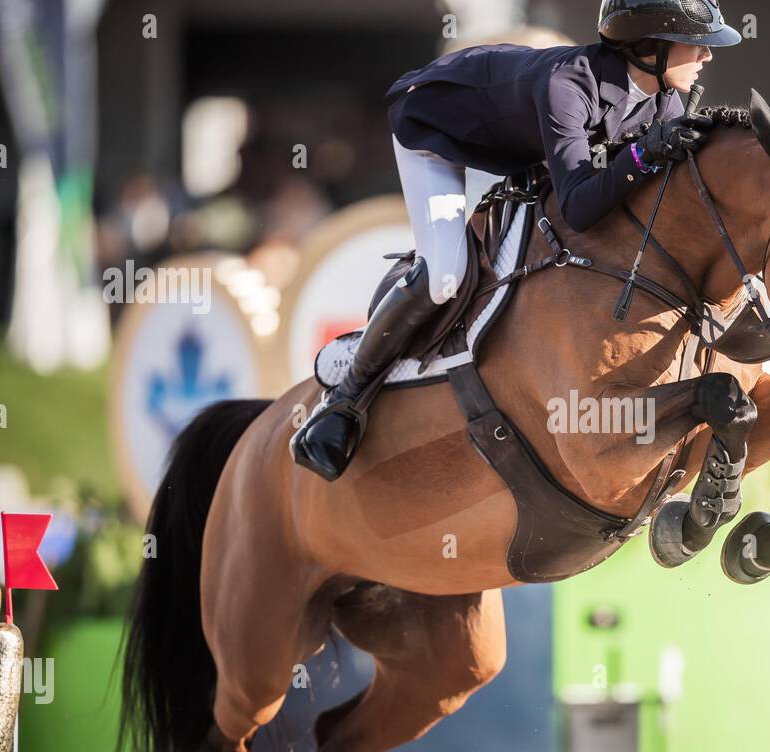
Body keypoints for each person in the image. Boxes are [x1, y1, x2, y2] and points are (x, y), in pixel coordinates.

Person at [291, 0, 741, 481]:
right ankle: (346, 397)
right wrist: (643, 153)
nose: (707, 56)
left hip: (514, 145)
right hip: (436, 129)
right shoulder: (569, 86)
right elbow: (581, 208)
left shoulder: (665, 99)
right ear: (651, 44)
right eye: (696, 44)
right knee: (448, 272)